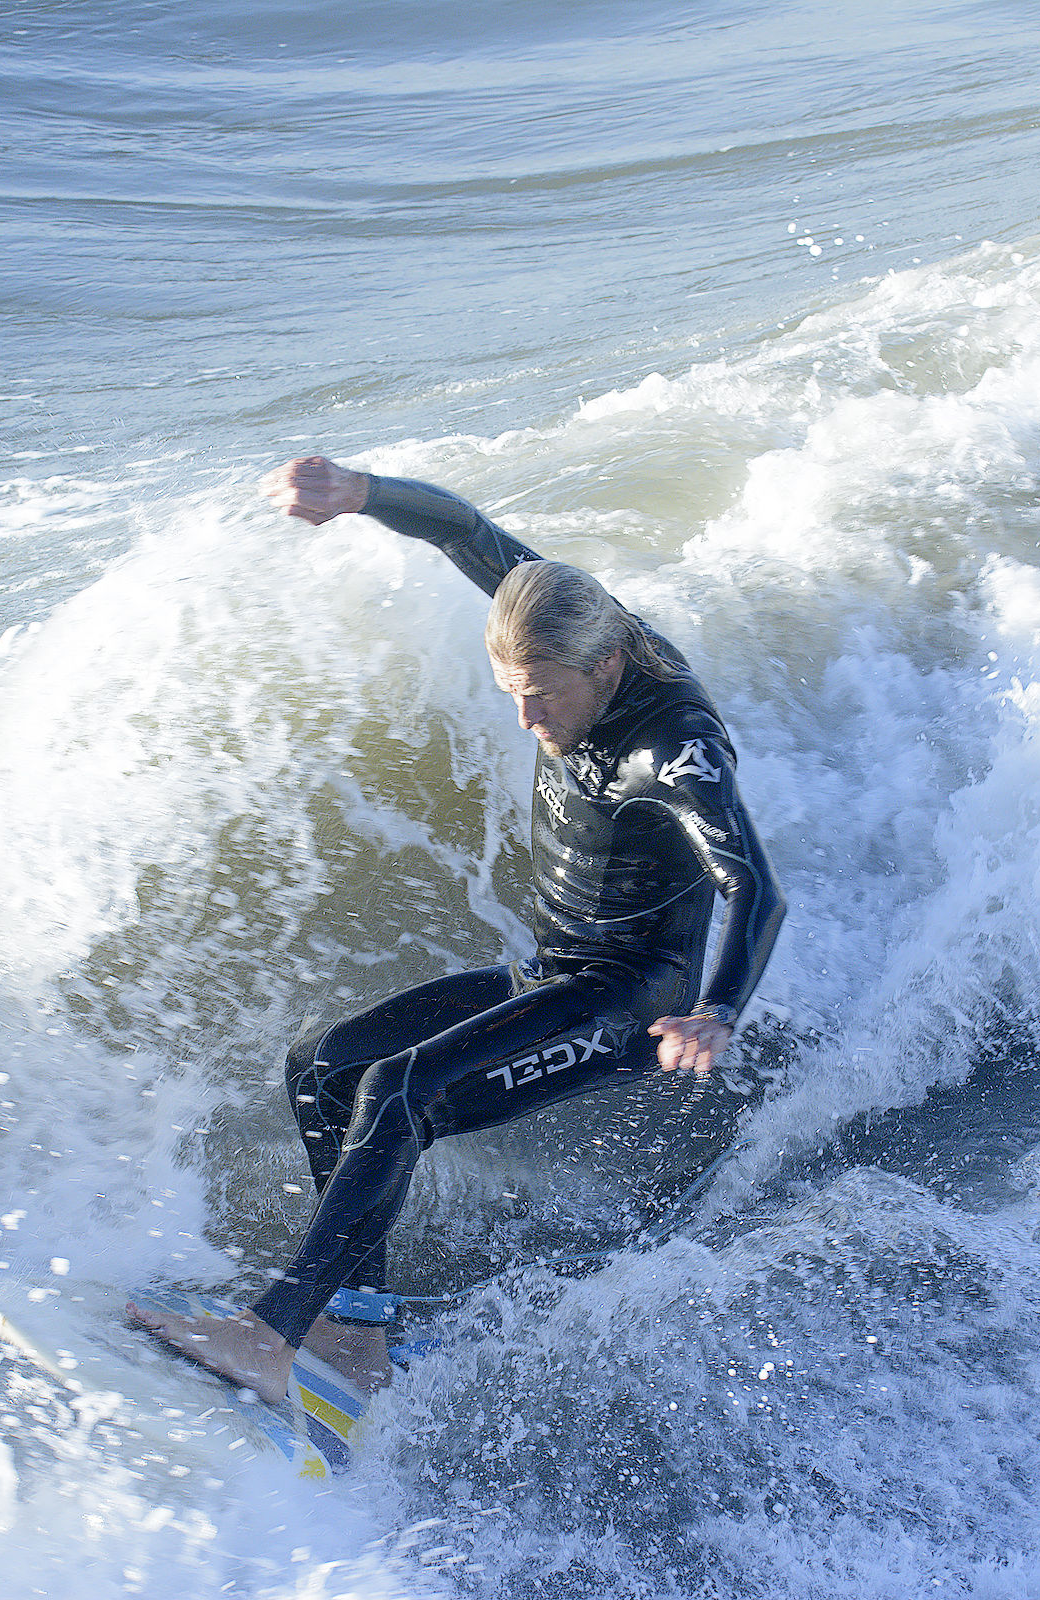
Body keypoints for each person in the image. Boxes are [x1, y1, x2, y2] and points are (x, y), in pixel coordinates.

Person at [127, 455, 784, 1405]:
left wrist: (717, 1011)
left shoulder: (673, 747)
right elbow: (466, 533)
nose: (526, 719)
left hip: (627, 996)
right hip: (557, 966)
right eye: (511, 691)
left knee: (400, 1087)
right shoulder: (566, 621)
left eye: (544, 695)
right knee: (323, 1066)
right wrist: (361, 493)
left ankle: (270, 1336)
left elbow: (753, 885)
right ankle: (357, 1330)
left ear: (604, 667)